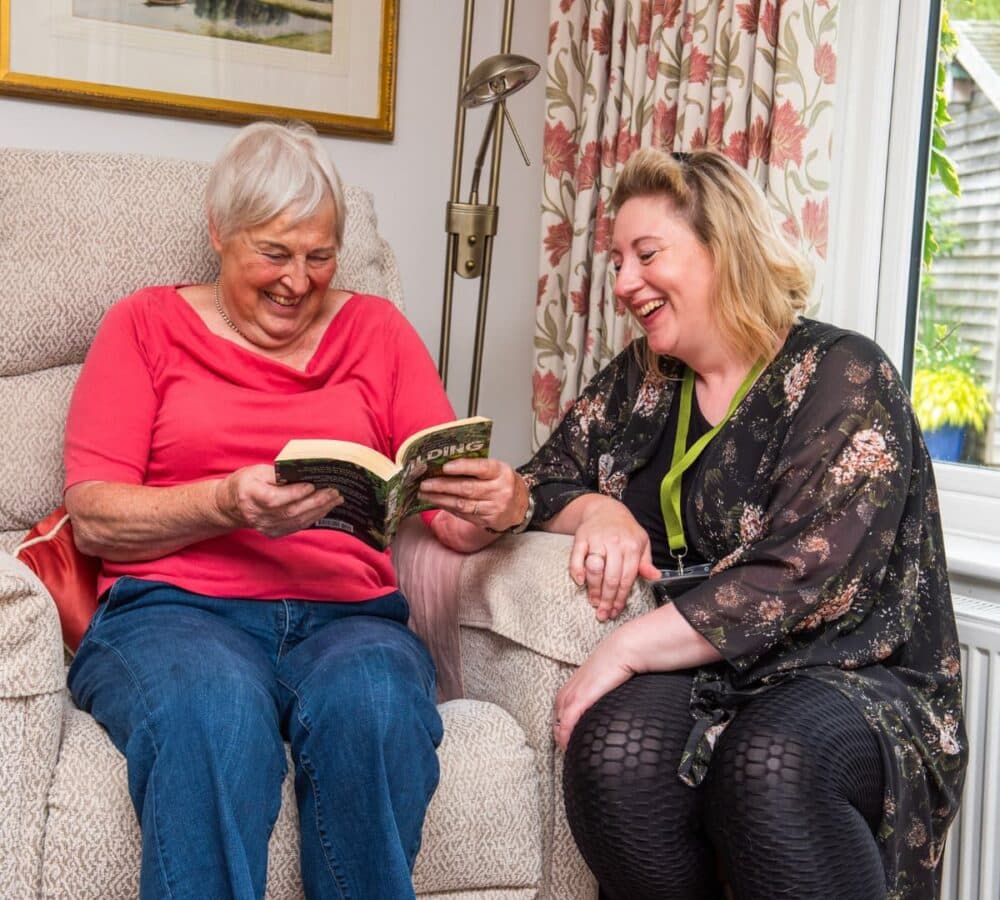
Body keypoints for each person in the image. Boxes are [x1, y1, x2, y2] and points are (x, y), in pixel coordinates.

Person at [420, 148, 968, 899]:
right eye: (618, 261)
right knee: (612, 751)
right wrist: (601, 508)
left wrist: (625, 647)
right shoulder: (644, 379)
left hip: (853, 670)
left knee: (768, 762)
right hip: (720, 671)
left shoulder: (844, 373)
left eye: (646, 255)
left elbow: (801, 575)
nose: (623, 283)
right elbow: (546, 478)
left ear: (724, 248)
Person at [64, 121, 481, 900]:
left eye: (320, 256)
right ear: (219, 232)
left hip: (350, 617)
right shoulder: (143, 326)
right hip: (174, 612)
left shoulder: (379, 333)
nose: (298, 281)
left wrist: (499, 501)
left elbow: (449, 512)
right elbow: (94, 516)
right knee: (211, 711)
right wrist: (226, 501)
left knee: (378, 704)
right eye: (275, 253)